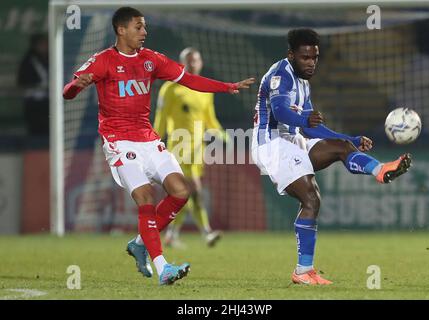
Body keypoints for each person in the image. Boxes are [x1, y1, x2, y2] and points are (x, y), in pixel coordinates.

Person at [62, 7, 254, 285]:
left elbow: (189, 79)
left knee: (181, 191)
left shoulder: (151, 60)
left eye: (145, 27)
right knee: (145, 197)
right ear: (121, 30)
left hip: (148, 139)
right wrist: (77, 86)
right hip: (118, 141)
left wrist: (226, 86)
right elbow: (67, 92)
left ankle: (140, 243)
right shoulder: (103, 60)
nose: (144, 32)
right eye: (138, 27)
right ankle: (163, 266)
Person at [251, 28, 411, 285]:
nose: (311, 63)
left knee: (341, 148)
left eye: (315, 57)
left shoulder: (302, 80)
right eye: (305, 57)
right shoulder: (280, 75)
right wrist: (304, 118)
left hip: (292, 141)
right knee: (311, 198)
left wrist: (351, 139)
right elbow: (280, 112)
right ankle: (303, 272)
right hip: (270, 144)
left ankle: (380, 170)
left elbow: (311, 127)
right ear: (291, 55)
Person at [154, 47, 225, 249]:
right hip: (178, 149)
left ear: (201, 62)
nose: (193, 64)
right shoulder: (170, 88)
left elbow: (209, 119)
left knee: (183, 195)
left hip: (197, 150)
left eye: (196, 60)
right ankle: (207, 233)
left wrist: (221, 134)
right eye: (189, 61)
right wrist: (151, 143)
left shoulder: (206, 90)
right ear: (182, 64)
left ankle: (170, 234)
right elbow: (160, 119)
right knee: (195, 190)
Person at [17, 33, 49, 142]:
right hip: (33, 101)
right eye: (42, 44)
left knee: (48, 127)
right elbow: (22, 82)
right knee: (35, 129)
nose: (45, 46)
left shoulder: (49, 58)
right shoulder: (28, 60)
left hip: (47, 100)